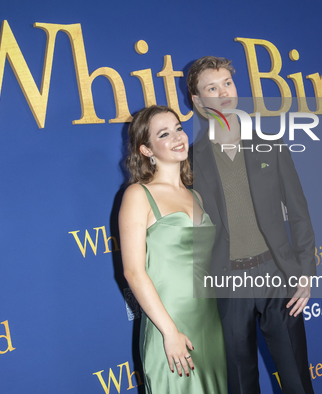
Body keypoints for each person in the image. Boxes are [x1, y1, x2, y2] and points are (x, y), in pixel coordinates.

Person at [188, 56, 316, 393]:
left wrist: (305, 270)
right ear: (198, 103)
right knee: (241, 385)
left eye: (227, 83)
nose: (223, 93)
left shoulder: (271, 146)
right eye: (211, 88)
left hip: (277, 278)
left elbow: (300, 213)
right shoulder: (189, 162)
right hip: (228, 285)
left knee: (297, 382)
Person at [119, 105, 227, 393]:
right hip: (168, 321)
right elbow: (133, 271)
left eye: (179, 128)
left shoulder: (196, 195)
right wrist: (169, 332)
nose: (178, 137)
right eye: (164, 134)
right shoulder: (138, 195)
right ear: (146, 150)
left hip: (208, 319)